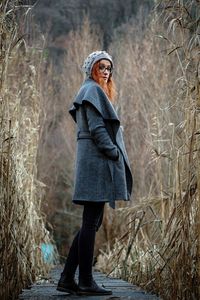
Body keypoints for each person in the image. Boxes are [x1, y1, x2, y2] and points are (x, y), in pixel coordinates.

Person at [57, 50, 133, 296]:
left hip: (95, 163)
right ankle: (86, 281)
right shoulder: (91, 91)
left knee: (92, 221)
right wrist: (113, 152)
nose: (106, 72)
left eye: (109, 68)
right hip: (96, 164)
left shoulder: (93, 91)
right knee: (91, 222)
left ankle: (68, 278)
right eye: (101, 67)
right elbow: (98, 130)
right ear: (91, 68)